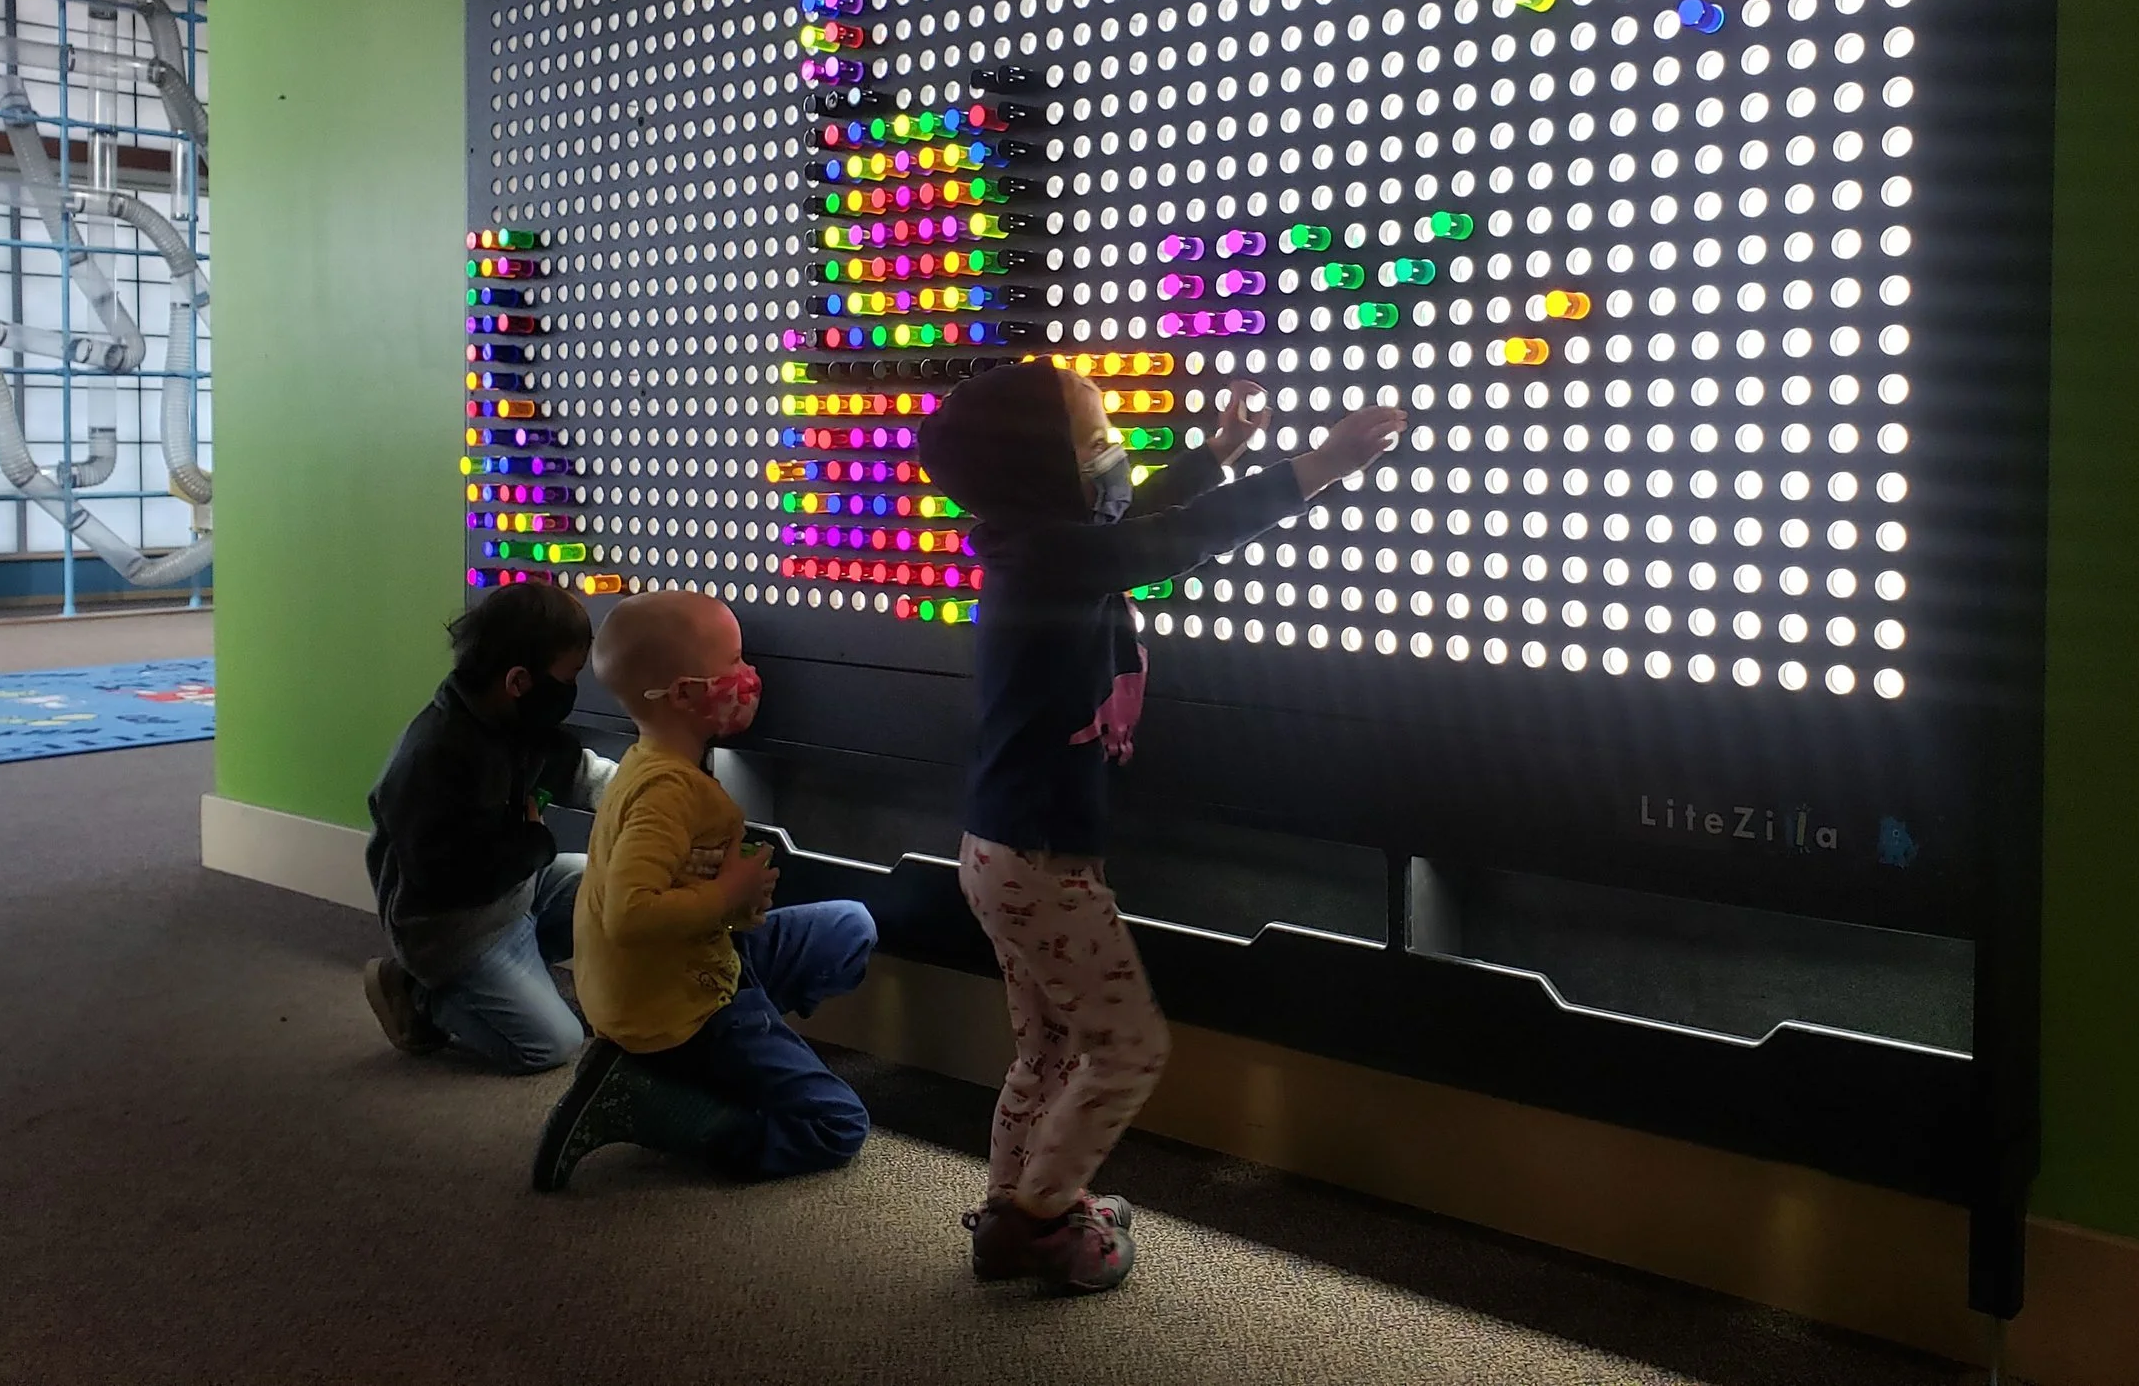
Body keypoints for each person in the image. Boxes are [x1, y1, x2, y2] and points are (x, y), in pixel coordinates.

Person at [918, 362, 1405, 1291]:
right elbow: (1168, 541)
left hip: (1003, 849)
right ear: (1043, 470)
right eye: (1098, 439)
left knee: (1047, 1050)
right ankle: (1039, 1215)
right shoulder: (1046, 556)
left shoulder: (1039, 544)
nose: (1119, 455)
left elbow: (1140, 523)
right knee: (1128, 1047)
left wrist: (1216, 451)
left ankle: (1010, 1204)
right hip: (1039, 862)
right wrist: (1319, 466)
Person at [530, 587, 876, 1192]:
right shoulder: (667, 794)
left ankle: (715, 1063)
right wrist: (724, 896)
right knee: (838, 1124)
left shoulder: (653, 766)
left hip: (698, 959)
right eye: (734, 663)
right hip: (682, 1003)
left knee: (850, 926)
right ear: (687, 695)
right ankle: (673, 1109)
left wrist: (730, 900)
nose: (748, 677)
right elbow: (629, 916)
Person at [363, 581, 617, 1074]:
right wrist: (534, 841)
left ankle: (513, 978)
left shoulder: (514, 721)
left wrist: (647, 794)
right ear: (519, 681)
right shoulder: (435, 758)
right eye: (570, 676)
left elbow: (577, 772)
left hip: (515, 893)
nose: (572, 689)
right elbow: (447, 875)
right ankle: (420, 997)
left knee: (615, 887)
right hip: (456, 931)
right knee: (552, 1044)